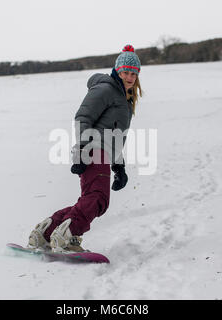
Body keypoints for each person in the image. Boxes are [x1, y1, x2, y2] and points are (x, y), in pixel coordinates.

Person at [28, 45, 143, 253]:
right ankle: (67, 236)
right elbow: (83, 117)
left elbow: (116, 136)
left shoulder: (124, 100)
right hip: (93, 148)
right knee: (98, 198)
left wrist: (119, 166)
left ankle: (46, 233)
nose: (129, 77)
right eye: (126, 72)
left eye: (133, 73)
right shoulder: (106, 89)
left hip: (104, 152)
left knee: (90, 199)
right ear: (117, 70)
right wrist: (81, 150)